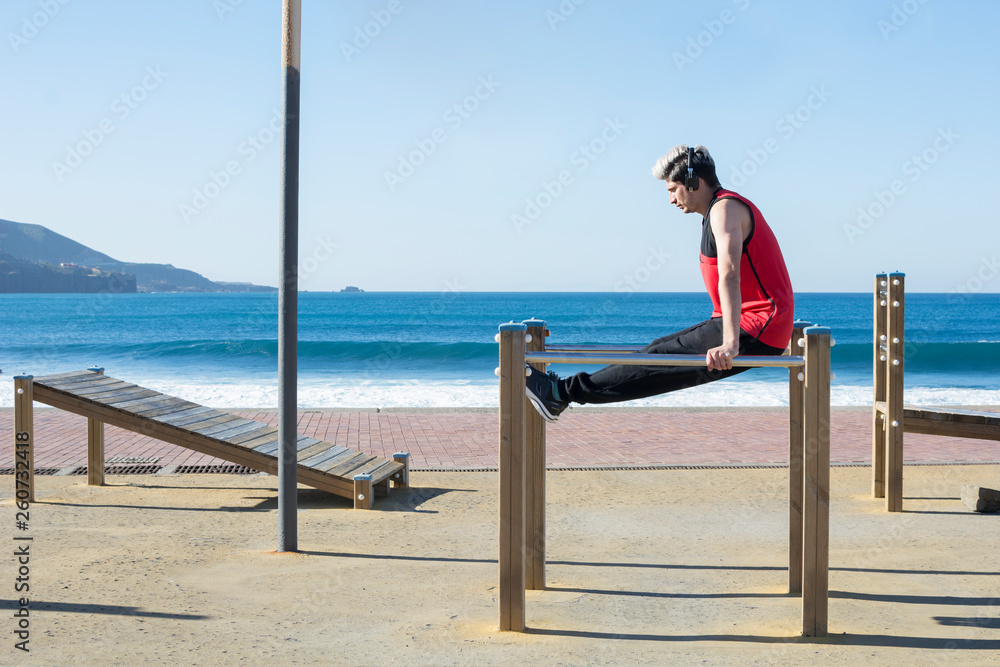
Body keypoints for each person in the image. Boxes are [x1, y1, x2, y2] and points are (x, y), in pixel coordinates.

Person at [525, 144, 794, 422]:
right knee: (654, 352)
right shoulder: (718, 210)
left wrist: (730, 344)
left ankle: (558, 393)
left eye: (672, 189)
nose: (670, 200)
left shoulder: (724, 209)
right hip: (748, 322)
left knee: (654, 364)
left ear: (693, 182)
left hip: (757, 326)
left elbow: (730, 273)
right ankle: (559, 393)